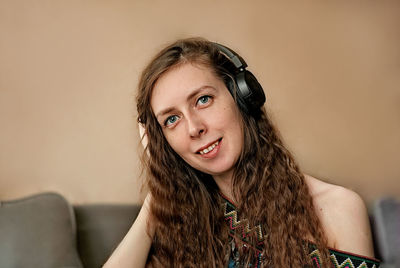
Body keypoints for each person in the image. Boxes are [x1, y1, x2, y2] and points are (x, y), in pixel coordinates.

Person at [104, 37, 379, 267]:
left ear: (242, 96)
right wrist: (160, 187)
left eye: (203, 99)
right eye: (171, 119)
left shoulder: (339, 208)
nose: (193, 128)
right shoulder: (182, 223)